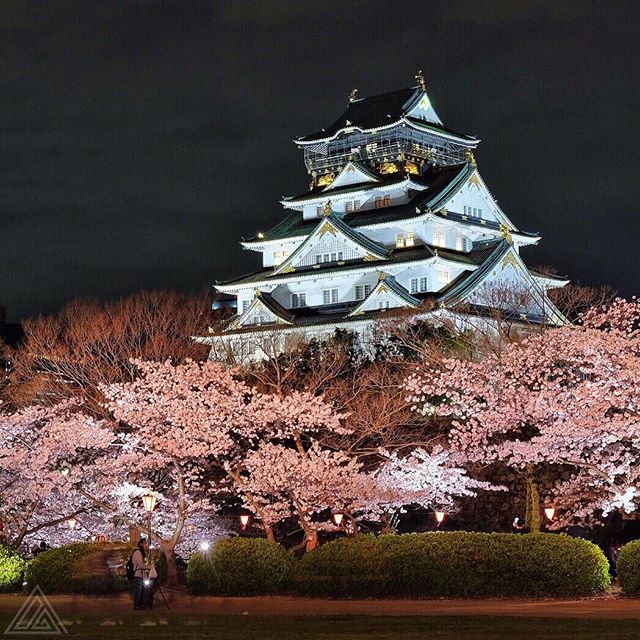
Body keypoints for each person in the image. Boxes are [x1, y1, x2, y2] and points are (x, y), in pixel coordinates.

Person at [131, 538, 154, 610]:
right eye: (145, 543)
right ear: (141, 544)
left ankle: (141, 605)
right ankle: (137, 606)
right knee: (138, 591)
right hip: (138, 574)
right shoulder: (137, 552)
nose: (146, 545)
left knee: (141, 590)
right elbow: (140, 565)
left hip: (141, 574)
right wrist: (150, 567)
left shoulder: (140, 552)